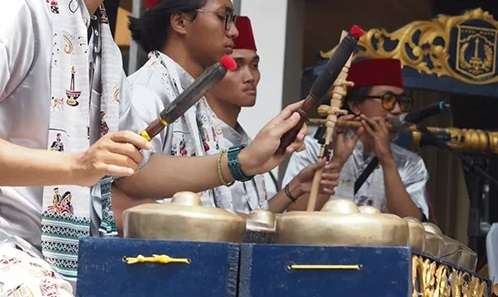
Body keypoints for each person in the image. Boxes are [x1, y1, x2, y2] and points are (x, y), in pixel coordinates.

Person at [0, 0, 304, 293]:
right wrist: (77, 166)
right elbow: (105, 178)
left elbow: (136, 169)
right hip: (11, 246)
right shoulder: (20, 12)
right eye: (224, 17)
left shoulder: (103, 47)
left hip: (72, 257)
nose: (233, 32)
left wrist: (243, 161)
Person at [121, 7, 336, 215]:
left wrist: (291, 186)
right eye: (223, 16)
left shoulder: (198, 106)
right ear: (180, 22)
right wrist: (242, 161)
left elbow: (229, 218)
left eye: (254, 65)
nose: (233, 31)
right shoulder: (145, 92)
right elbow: (125, 187)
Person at [284, 58, 429, 220]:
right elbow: (293, 216)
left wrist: (386, 159)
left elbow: (412, 224)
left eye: (402, 102)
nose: (397, 110)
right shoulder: (311, 148)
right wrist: (338, 161)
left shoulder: (410, 162)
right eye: (388, 100)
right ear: (355, 105)